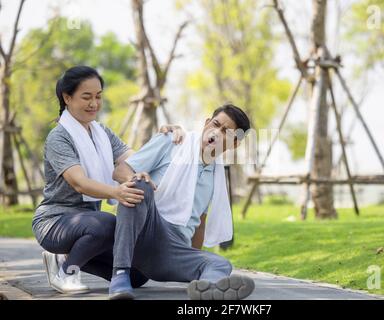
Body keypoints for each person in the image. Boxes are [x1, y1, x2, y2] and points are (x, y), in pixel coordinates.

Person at [32, 65, 184, 294]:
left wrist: (161, 139)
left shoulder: (101, 133)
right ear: (67, 97)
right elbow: (79, 183)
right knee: (106, 223)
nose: (94, 103)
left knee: (138, 275)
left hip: (90, 223)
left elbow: (133, 159)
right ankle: (66, 272)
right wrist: (116, 192)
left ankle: (64, 258)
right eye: (86, 97)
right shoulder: (59, 137)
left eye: (98, 96)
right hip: (55, 221)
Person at [110, 103, 255, 300]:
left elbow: (199, 225)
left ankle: (207, 288)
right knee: (139, 184)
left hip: (173, 251)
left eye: (226, 132)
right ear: (206, 123)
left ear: (235, 143)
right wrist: (134, 178)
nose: (217, 133)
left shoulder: (216, 176)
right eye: (215, 124)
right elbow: (120, 171)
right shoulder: (173, 141)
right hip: (147, 232)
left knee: (221, 264)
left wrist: (194, 258)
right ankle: (120, 275)